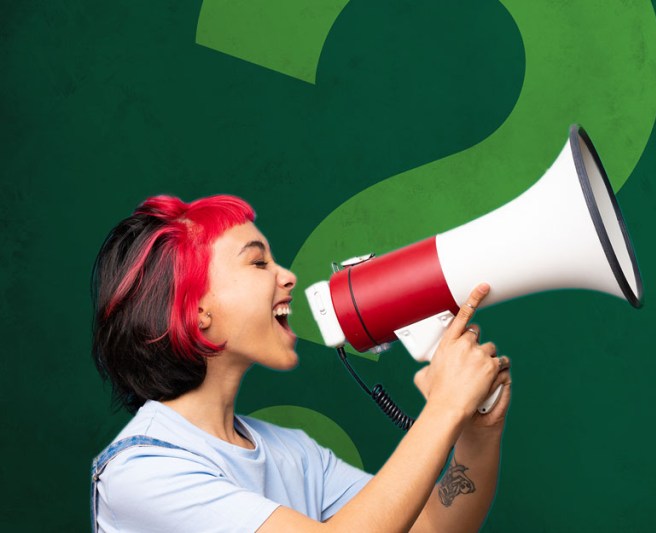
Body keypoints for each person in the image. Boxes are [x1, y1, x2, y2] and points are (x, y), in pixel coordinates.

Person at [90, 194, 511, 532]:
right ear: (195, 309)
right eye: (258, 263)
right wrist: (444, 409)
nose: (287, 275)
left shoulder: (293, 452)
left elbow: (429, 528)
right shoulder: (143, 474)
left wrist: (478, 432)